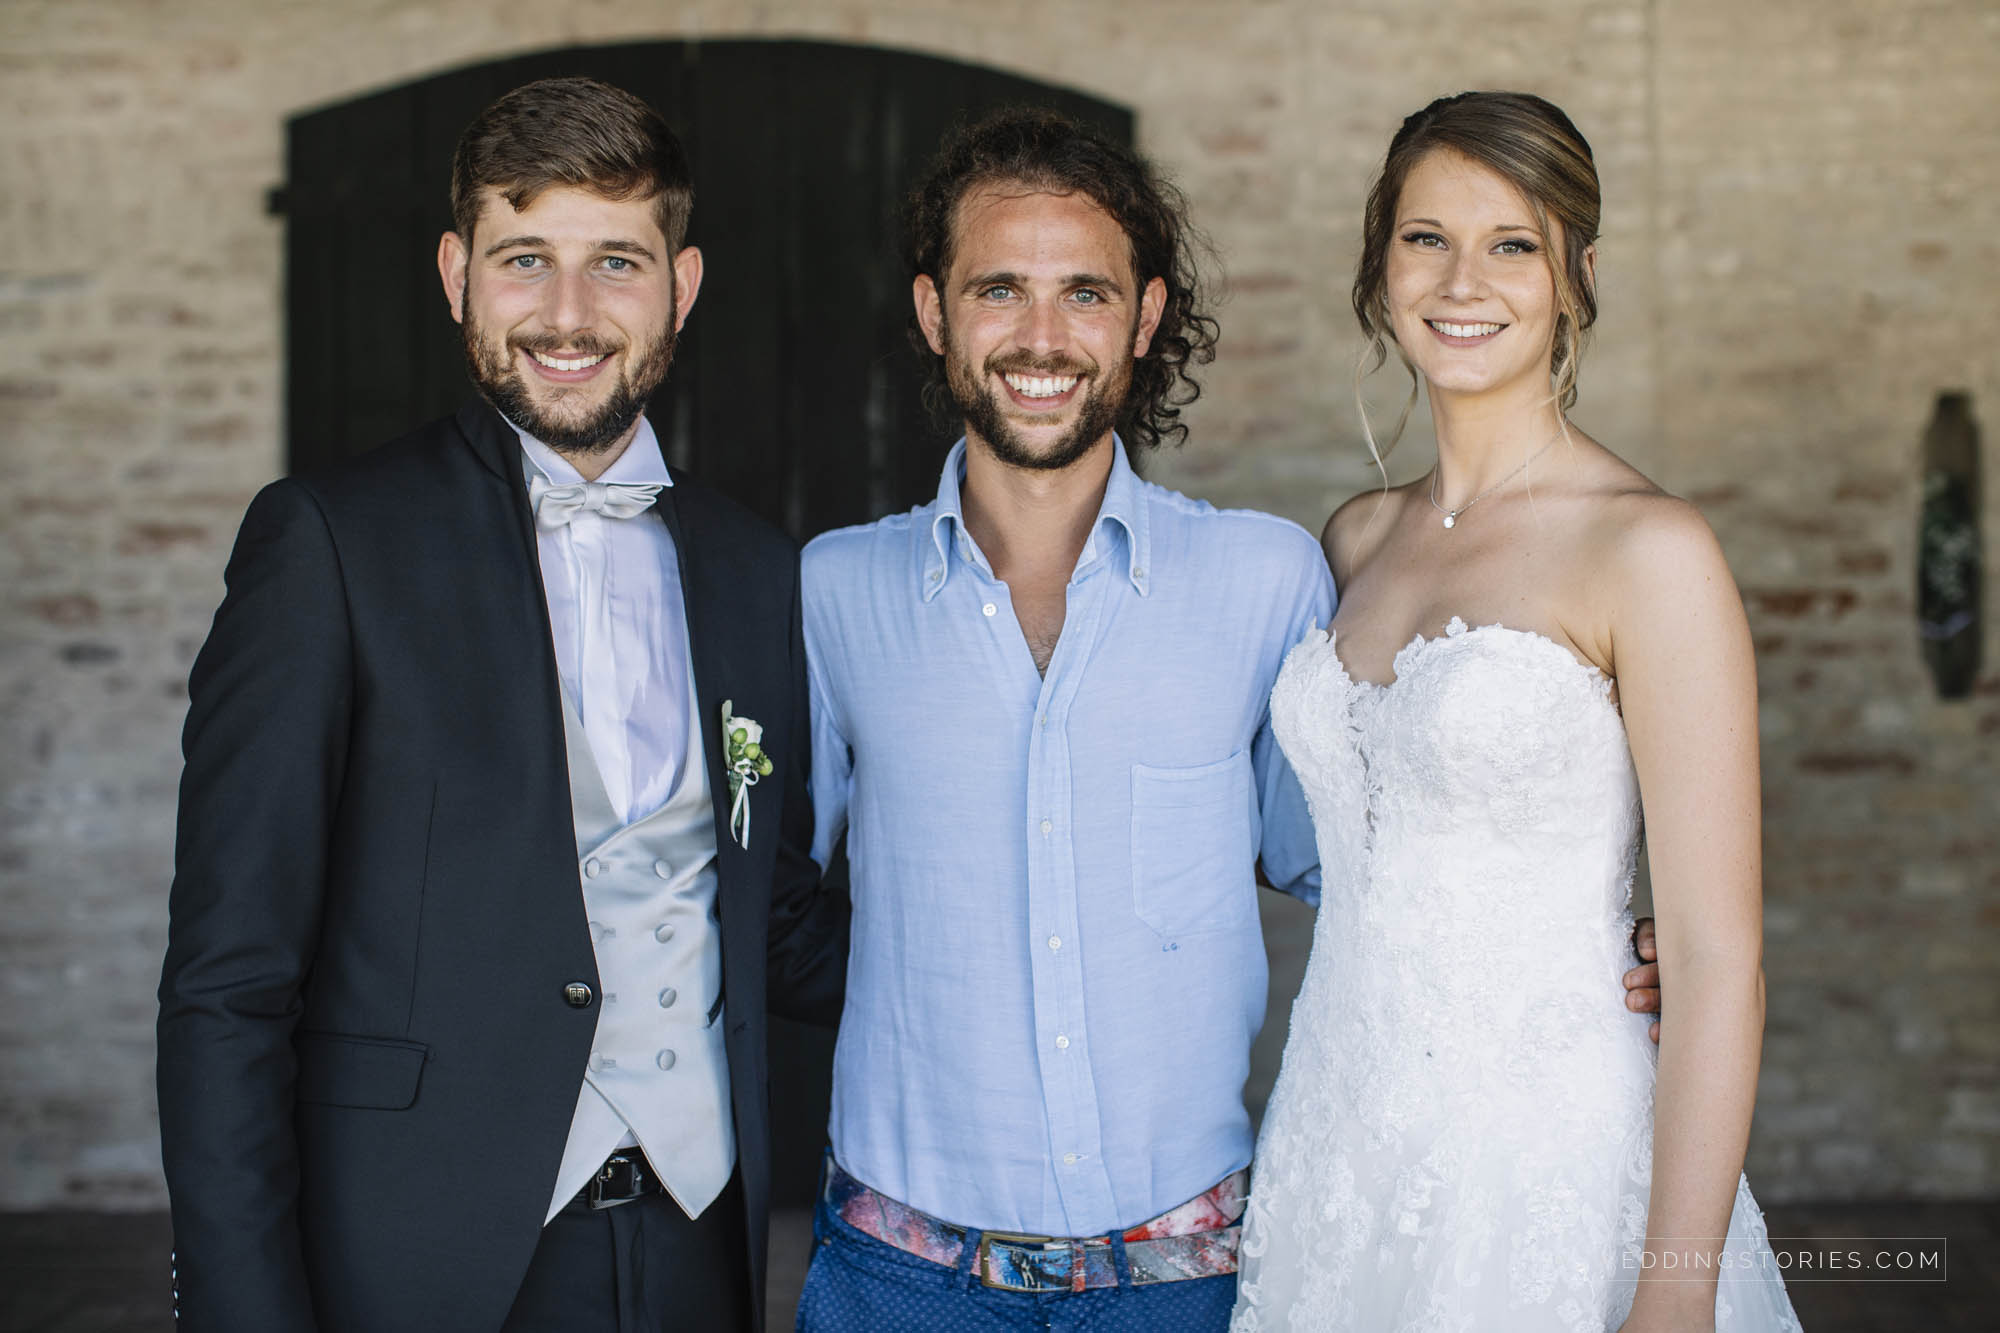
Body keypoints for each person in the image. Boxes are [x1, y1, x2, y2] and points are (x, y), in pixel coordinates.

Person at [794, 108, 1664, 1332]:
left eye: (1085, 293)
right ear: (933, 311)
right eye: (998, 289)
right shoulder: (831, 592)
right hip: (895, 1276)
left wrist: (1600, 940)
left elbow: (1373, 861)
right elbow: (761, 886)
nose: (1040, 338)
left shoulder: (1268, 584)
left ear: (1144, 319)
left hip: (1187, 1280)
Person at [157, 78, 845, 1333]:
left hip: (702, 1242)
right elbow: (227, 980)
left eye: (616, 263)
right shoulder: (328, 542)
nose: (569, 315)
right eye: (525, 258)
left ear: (681, 287)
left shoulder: (757, 570)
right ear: (455, 272)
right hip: (422, 1254)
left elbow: (769, 908)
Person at [1228, 91, 1800, 1331]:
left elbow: (1714, 959)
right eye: (1424, 236)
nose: (1460, 279)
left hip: (1548, 1161)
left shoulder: (1647, 552)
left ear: (1576, 280)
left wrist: (1673, 1291)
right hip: (1334, 1141)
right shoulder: (1354, 537)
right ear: (1379, 269)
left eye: (1512, 243)